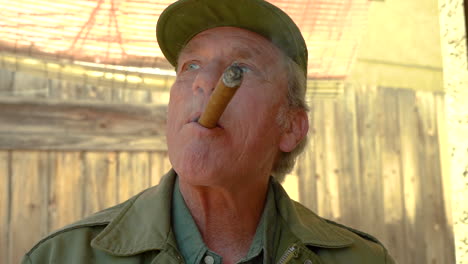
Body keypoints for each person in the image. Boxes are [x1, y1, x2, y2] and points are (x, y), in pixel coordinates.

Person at [23, 0, 395, 263]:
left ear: (291, 126)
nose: (204, 81)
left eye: (241, 68)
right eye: (191, 65)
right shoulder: (62, 258)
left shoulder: (360, 260)